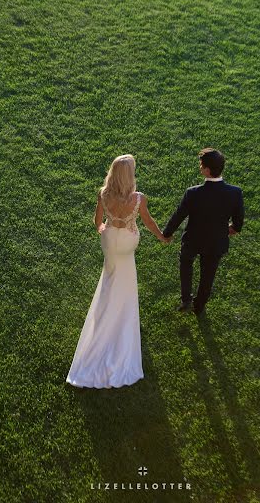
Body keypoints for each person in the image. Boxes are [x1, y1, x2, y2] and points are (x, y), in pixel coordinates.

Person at [66, 154, 171, 389]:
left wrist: (103, 229)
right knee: (125, 277)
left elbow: (97, 221)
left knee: (110, 275)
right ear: (129, 175)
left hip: (110, 240)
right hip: (126, 245)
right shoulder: (138, 199)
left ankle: (107, 306)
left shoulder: (104, 194)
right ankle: (121, 313)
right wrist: (162, 237)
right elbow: (149, 221)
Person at [162, 147, 244, 316]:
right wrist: (230, 229)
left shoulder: (193, 193)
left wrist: (167, 233)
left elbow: (179, 215)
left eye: (201, 165)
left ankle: (186, 299)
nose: (199, 167)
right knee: (208, 275)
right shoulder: (235, 193)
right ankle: (199, 306)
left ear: (207, 170)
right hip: (216, 242)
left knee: (186, 264)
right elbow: (238, 223)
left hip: (193, 240)